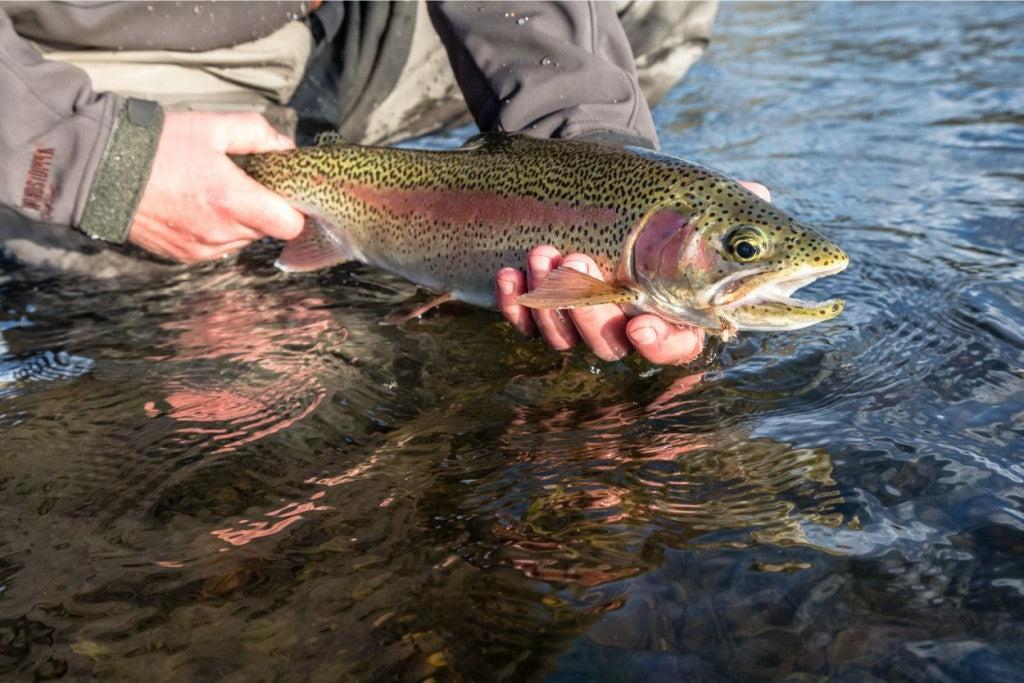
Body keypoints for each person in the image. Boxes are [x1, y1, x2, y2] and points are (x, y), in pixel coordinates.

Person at [0, 1, 758, 366]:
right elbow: (86, 155)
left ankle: (405, 208)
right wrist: (95, 158)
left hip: (363, 23)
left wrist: (591, 149)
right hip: (102, 46)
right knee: (157, 311)